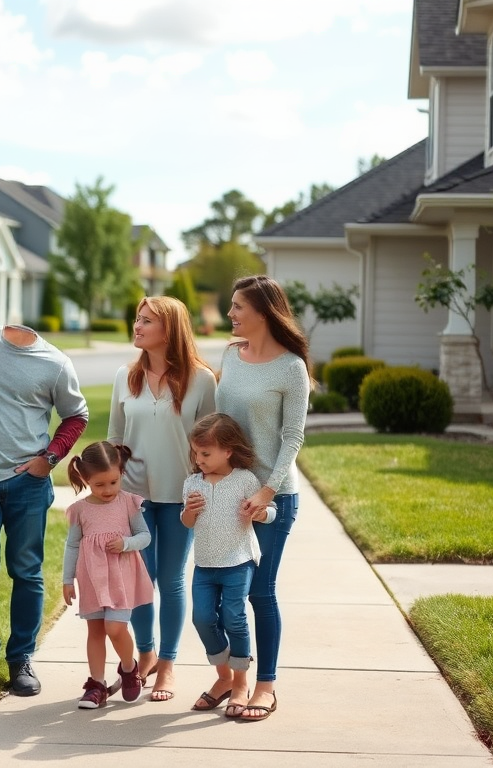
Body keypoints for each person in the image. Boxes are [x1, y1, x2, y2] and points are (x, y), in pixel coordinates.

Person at [186, 274, 311, 722]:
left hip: (271, 496)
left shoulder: (291, 367)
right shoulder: (230, 356)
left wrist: (267, 488)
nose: (231, 314)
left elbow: (292, 437)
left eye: (238, 306)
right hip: (223, 492)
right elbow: (219, 421)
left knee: (260, 592)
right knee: (213, 597)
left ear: (263, 312)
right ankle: (227, 677)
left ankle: (265, 686)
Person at [0, 324, 88, 697]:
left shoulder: (56, 364)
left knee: (26, 570)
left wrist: (50, 458)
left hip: (28, 484)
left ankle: (21, 659)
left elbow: (77, 415)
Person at [107, 296, 216, 701]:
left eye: (146, 320)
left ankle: (167, 665)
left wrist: (206, 490)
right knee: (138, 582)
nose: (136, 326)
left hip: (180, 497)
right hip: (134, 497)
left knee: (170, 581)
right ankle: (146, 655)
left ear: (169, 329)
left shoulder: (202, 380)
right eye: (137, 318)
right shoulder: (125, 376)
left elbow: (211, 442)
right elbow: (115, 438)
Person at [182, 413, 272, 718]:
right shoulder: (193, 482)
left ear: (228, 451)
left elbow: (269, 512)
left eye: (206, 454)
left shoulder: (245, 480)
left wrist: (258, 514)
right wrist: (189, 512)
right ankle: (224, 675)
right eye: (196, 453)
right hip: (205, 564)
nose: (199, 459)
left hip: (237, 561)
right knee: (202, 618)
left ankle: (240, 683)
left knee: (234, 617)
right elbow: (186, 522)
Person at [62, 441, 153, 709]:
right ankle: (97, 685)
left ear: (121, 473)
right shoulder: (80, 510)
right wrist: (67, 580)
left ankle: (128, 667)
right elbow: (72, 545)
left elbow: (145, 536)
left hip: (120, 578)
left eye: (113, 482)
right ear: (85, 479)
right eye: (99, 485)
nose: (108, 490)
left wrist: (126, 543)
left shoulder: (128, 502)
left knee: (115, 628)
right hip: (91, 578)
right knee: (95, 631)